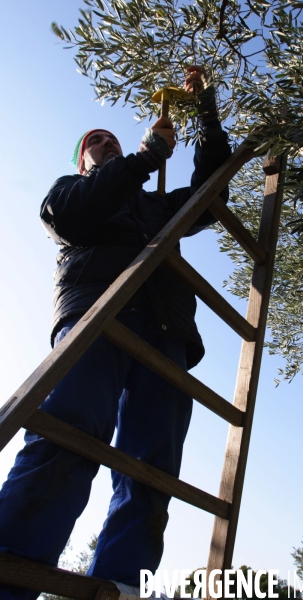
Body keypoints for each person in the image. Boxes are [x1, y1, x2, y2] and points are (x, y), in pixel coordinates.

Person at [0, 66, 231, 600]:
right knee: (68, 434)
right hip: (99, 317)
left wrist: (205, 112)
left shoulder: (155, 207)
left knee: (152, 468)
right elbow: (76, 212)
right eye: (95, 143)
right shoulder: (69, 195)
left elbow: (210, 195)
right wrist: (145, 158)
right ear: (83, 161)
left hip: (168, 331)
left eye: (113, 140)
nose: (105, 144)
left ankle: (122, 584)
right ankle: (11, 571)